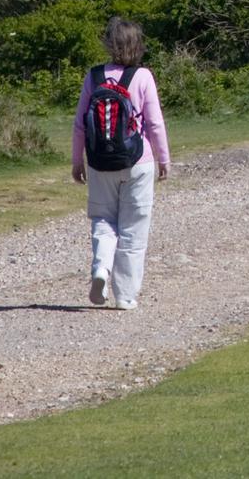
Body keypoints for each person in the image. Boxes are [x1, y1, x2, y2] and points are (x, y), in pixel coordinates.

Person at [71, 17, 171, 310]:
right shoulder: (143, 77)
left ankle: (101, 267)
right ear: (138, 46)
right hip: (137, 162)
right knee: (133, 229)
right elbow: (154, 123)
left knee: (103, 219)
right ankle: (125, 295)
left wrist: (78, 161)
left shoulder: (94, 77)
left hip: (100, 162)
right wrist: (163, 158)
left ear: (109, 44)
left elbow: (79, 125)